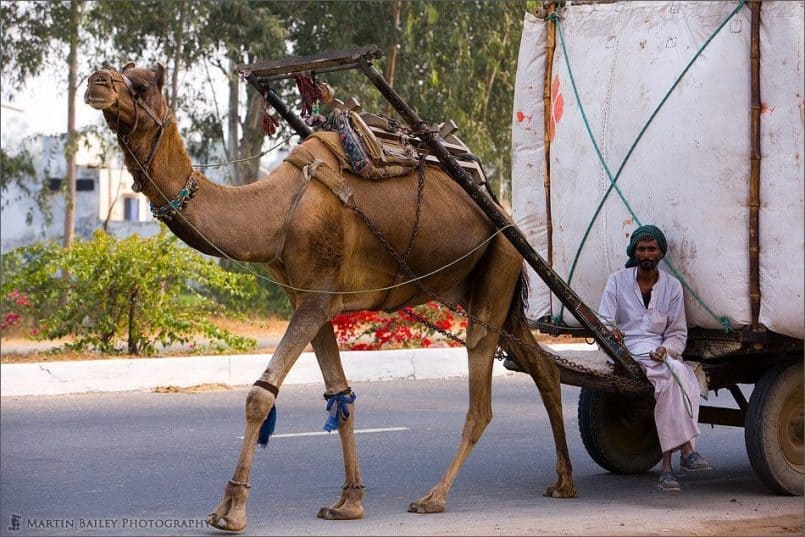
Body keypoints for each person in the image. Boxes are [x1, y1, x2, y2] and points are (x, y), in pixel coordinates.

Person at [599, 225, 711, 492]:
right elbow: (603, 320)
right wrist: (612, 334)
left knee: (678, 376)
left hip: (658, 352)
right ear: (634, 252)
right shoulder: (617, 281)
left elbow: (677, 333)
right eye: (641, 249)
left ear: (660, 253)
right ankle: (683, 454)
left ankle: (671, 467)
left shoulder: (672, 287)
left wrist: (666, 350)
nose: (646, 254)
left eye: (651, 249)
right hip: (627, 349)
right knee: (673, 376)